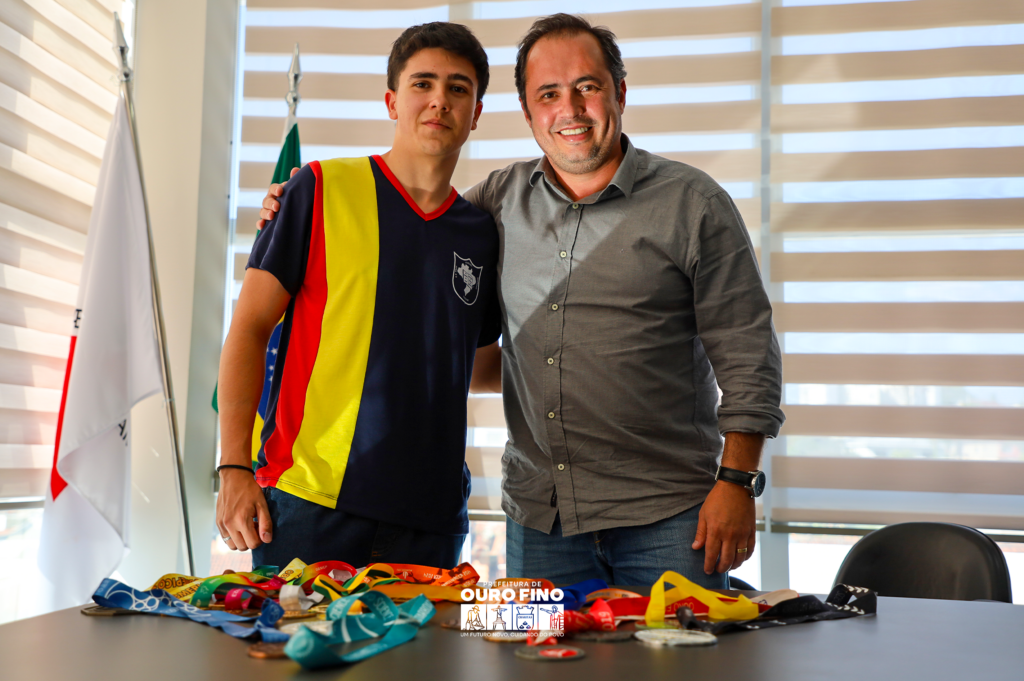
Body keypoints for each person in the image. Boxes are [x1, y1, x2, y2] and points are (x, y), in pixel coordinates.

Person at [258, 14, 784, 587]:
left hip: (670, 517)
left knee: (676, 648)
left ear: (620, 93)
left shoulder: (694, 204)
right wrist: (290, 202)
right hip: (539, 523)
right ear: (528, 112)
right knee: (522, 644)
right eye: (548, 94)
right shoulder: (493, 204)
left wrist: (737, 482)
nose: (570, 109)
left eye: (587, 87)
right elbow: (414, 224)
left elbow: (749, 354)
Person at [216, 22, 503, 570]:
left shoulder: (482, 235)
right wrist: (233, 467)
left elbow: (479, 366)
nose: (439, 100)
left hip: (432, 520)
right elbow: (249, 328)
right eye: (423, 83)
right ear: (392, 102)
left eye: (458, 88)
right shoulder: (318, 189)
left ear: (476, 113)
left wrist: (589, 370)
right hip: (309, 506)